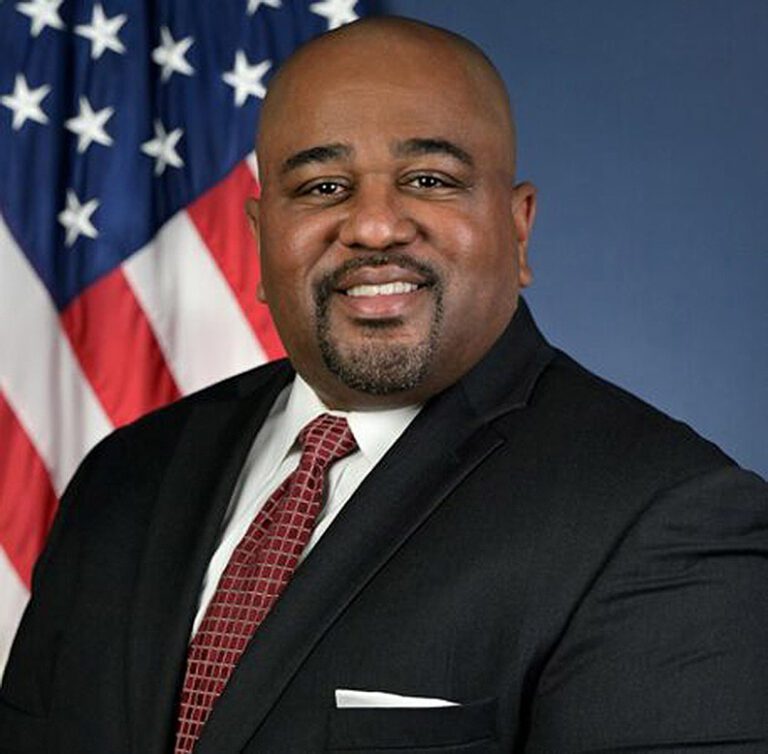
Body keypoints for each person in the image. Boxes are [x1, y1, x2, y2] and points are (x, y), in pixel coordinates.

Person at [2, 16, 767, 754]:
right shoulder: (124, 474)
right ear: (260, 239)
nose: (373, 227)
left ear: (519, 228)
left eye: (429, 179)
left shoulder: (667, 518)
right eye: (322, 186)